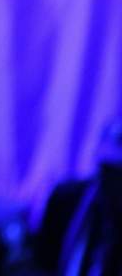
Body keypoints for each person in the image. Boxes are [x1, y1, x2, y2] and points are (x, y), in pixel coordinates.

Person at [30, 117, 122, 275]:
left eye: (118, 174)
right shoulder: (67, 198)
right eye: (107, 170)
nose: (112, 183)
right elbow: (42, 262)